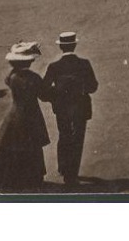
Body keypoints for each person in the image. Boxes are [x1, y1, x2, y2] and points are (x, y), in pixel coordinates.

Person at [0, 42, 50, 192]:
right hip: (31, 116)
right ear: (29, 61)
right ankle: (32, 179)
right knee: (33, 147)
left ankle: (5, 182)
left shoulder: (11, 76)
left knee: (9, 148)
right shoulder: (34, 78)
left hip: (14, 115)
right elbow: (45, 95)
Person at [40, 32, 98, 188]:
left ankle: (63, 168)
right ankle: (73, 174)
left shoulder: (54, 67)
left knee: (64, 135)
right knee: (78, 138)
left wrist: (55, 97)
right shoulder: (84, 64)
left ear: (60, 47)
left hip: (62, 108)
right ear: (75, 45)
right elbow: (93, 87)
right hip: (81, 107)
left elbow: (43, 91)